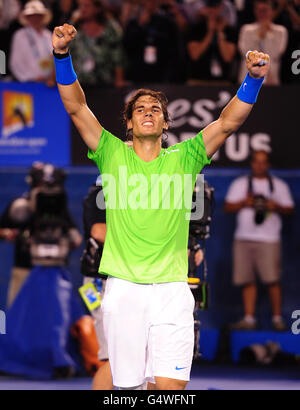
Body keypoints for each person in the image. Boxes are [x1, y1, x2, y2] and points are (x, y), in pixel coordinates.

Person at [52, 22, 270, 389]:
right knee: (127, 389)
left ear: (166, 122)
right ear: (129, 123)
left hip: (172, 289)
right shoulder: (110, 152)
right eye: (140, 109)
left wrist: (253, 80)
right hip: (122, 289)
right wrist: (61, 55)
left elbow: (227, 123)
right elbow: (76, 107)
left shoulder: (186, 156)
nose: (148, 112)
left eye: (155, 108)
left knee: (171, 388)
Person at [224, 151, 294, 331]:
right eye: (257, 162)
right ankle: (249, 319)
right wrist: (244, 203)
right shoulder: (240, 184)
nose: (260, 166)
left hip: (269, 239)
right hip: (244, 238)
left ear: (268, 164)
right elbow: (227, 207)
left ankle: (277, 319)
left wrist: (274, 206)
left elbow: (290, 210)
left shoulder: (278, 185)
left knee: (272, 279)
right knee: (247, 280)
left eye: (264, 162)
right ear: (252, 164)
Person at [69, 0, 126, 86]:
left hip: (104, 84)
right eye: (80, 6)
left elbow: (117, 57)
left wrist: (119, 80)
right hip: (78, 85)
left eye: (87, 6)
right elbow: (64, 53)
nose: (82, 9)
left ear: (97, 8)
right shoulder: (74, 27)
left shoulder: (110, 28)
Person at [186, 0, 238, 84]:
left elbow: (227, 57)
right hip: (197, 81)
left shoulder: (228, 30)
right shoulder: (196, 28)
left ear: (221, 8)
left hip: (223, 82)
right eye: (210, 7)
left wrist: (220, 33)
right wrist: (209, 33)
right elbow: (195, 54)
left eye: (215, 7)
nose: (212, 10)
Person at [238, 0, 288, 85]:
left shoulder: (280, 31)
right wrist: (259, 35)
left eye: (265, 10)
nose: (262, 14)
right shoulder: (246, 30)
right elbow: (245, 53)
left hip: (271, 81)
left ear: (271, 11)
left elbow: (276, 54)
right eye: (259, 10)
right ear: (255, 11)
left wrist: (268, 34)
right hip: (248, 81)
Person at [9, 0, 55, 85]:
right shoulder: (20, 35)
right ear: (27, 17)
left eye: (38, 15)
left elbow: (55, 58)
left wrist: (52, 77)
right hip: (28, 84)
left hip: (49, 83)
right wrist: (30, 77)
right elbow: (15, 63)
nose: (35, 19)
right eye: (32, 16)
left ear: (43, 17)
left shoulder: (49, 35)